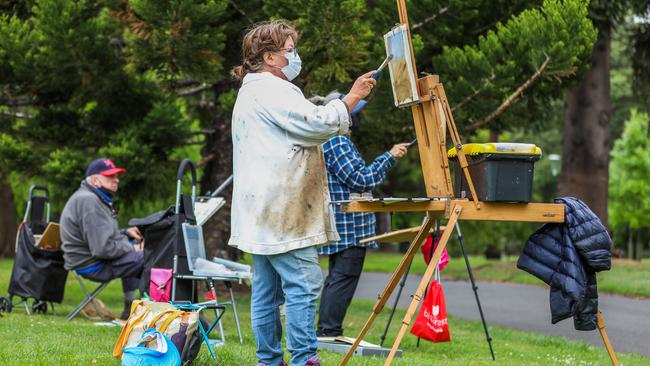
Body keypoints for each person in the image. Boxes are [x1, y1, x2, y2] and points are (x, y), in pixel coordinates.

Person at [229, 20, 377, 366]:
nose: (295, 57)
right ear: (269, 57)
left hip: (262, 208)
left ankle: (269, 360)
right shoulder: (271, 90)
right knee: (304, 283)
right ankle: (304, 358)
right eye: (289, 51)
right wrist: (352, 97)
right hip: (282, 208)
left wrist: (343, 104)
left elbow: (308, 126)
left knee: (267, 289)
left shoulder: (253, 90)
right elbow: (316, 124)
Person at [312, 92, 409, 337]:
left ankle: (327, 329)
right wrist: (390, 156)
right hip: (349, 225)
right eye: (352, 113)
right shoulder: (337, 141)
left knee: (338, 277)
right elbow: (361, 180)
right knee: (343, 277)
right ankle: (329, 331)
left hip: (342, 222)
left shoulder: (328, 140)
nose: (355, 119)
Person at [60, 158, 144, 320]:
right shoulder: (90, 201)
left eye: (116, 176)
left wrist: (125, 233)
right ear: (94, 180)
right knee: (148, 257)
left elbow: (100, 236)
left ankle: (130, 308)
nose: (116, 180)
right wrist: (132, 248)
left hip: (89, 259)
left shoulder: (93, 197)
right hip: (93, 264)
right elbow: (103, 249)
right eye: (110, 177)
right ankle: (146, 312)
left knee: (138, 250)